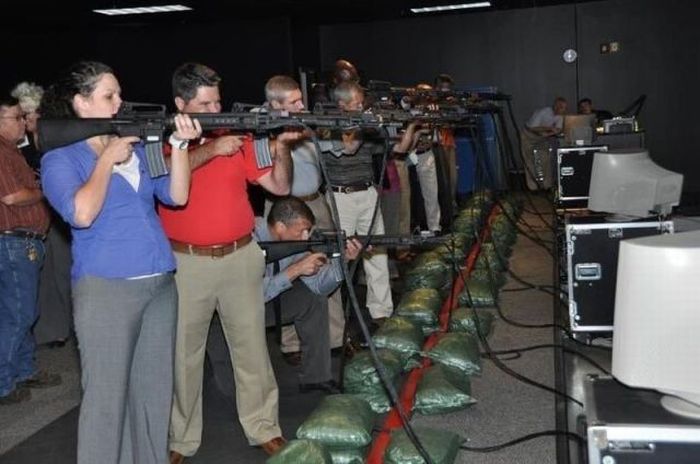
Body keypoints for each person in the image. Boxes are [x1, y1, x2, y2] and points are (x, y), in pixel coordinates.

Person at [40, 61, 199, 464]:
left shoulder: (137, 147)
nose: (119, 102)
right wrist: (106, 161)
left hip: (159, 283)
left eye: (119, 94)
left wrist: (180, 147)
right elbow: (81, 214)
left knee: (153, 396)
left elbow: (176, 196)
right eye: (108, 96)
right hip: (107, 288)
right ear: (80, 103)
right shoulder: (61, 158)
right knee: (106, 401)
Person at [161, 63, 298, 463]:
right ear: (181, 104)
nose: (215, 110)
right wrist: (211, 150)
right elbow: (164, 176)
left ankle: (264, 427)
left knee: (252, 349)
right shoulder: (163, 138)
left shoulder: (238, 136)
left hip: (240, 256)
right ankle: (181, 438)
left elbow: (280, 186)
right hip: (187, 263)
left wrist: (282, 146)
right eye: (205, 104)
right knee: (184, 356)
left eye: (217, 101)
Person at [263, 75, 346, 360]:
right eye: (294, 102)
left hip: (315, 202)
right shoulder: (262, 129)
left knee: (329, 260)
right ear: (275, 105)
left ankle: (334, 338)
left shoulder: (305, 123)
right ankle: (291, 343)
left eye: (301, 100)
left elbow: (342, 146)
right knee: (283, 270)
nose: (302, 106)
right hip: (283, 208)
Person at [319, 81, 416, 324]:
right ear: (341, 105)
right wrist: (364, 124)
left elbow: (399, 148)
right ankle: (336, 323)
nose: (362, 108)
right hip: (340, 197)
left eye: (362, 104)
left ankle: (381, 312)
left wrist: (412, 123)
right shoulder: (327, 125)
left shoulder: (365, 126)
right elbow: (349, 148)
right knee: (338, 257)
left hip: (367, 193)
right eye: (357, 104)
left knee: (378, 253)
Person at [257, 197, 362, 392]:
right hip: (232, 312)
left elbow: (319, 287)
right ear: (280, 227)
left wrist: (343, 260)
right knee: (233, 391)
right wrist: (295, 270)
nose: (306, 237)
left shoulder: (292, 243)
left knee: (313, 299)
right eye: (301, 231)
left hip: (269, 304)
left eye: (308, 231)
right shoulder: (247, 236)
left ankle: (316, 377)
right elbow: (250, 293)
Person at [0, 94, 58, 406]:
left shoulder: (12, 151)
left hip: (20, 243)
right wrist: (44, 190)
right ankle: (3, 382)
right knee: (19, 314)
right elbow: (12, 196)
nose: (23, 122)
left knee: (20, 312)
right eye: (17, 117)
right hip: (14, 243)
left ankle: (23, 370)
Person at [12, 81, 73, 348]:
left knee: (65, 271)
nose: (28, 120)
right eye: (23, 115)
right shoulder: (18, 145)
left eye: (33, 113)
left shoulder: (56, 139)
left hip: (59, 214)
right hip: (34, 217)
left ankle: (75, 324)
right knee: (46, 276)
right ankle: (53, 330)